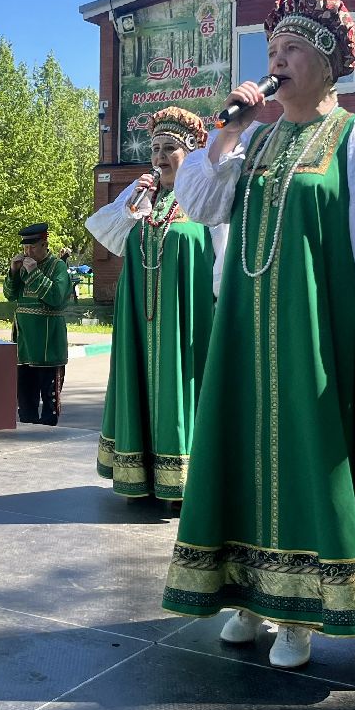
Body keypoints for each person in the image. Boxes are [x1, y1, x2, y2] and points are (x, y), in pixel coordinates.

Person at [163, 0, 355, 668]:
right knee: (244, 454)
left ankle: (300, 616)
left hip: (319, 331)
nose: (276, 62)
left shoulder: (354, 137)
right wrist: (227, 130)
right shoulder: (255, 140)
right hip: (247, 334)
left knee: (309, 457)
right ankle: (247, 597)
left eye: (291, 49)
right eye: (271, 49)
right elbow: (201, 202)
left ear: (328, 61)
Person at [87, 106, 226, 506]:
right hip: (139, 319)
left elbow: (226, 259)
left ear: (192, 154)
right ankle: (140, 475)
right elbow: (106, 235)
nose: (160, 157)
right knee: (141, 386)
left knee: (180, 386)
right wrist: (135, 198)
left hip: (188, 319)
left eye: (170, 149)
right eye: (156, 149)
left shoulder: (205, 203)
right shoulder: (145, 200)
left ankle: (182, 480)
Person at [5, 223, 70, 425]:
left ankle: (49, 437)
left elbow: (56, 298)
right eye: (25, 248)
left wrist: (34, 273)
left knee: (49, 406)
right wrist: (13, 272)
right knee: (25, 403)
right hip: (24, 346)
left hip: (48, 346)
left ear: (44, 244)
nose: (27, 252)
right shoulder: (23, 267)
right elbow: (10, 295)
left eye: (32, 248)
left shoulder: (57, 267)